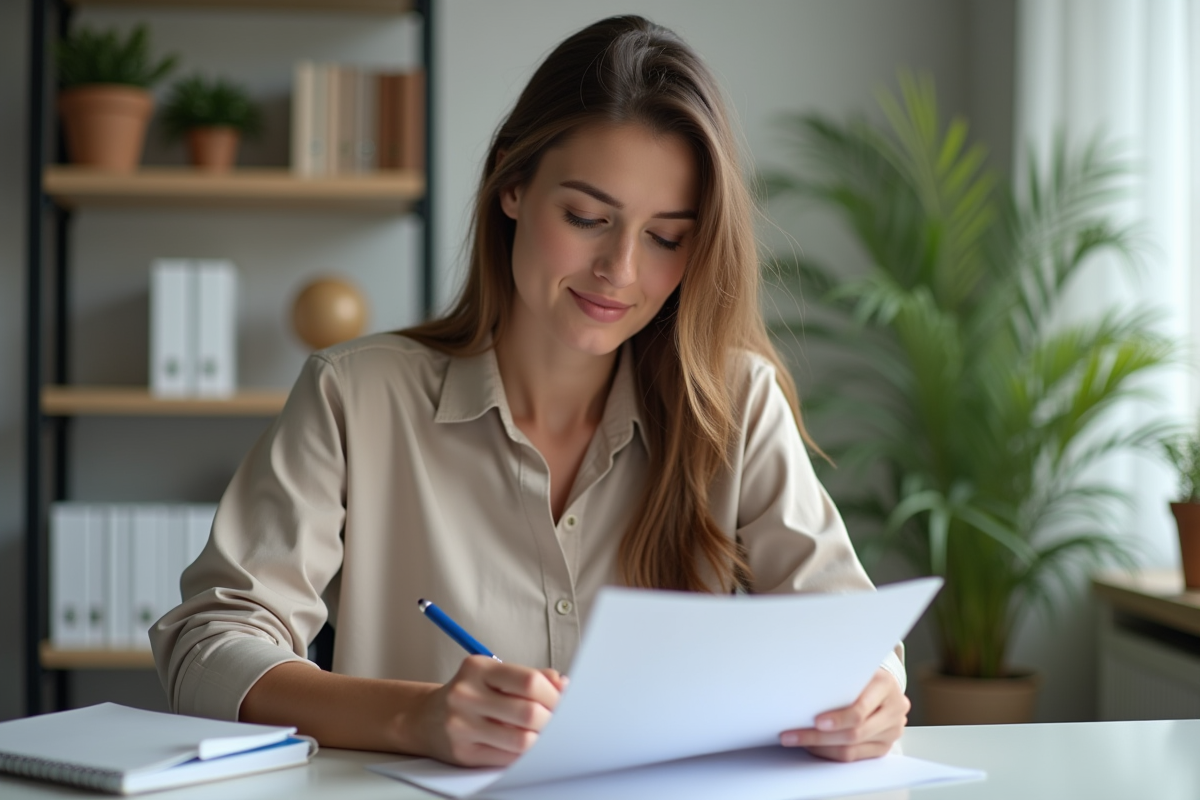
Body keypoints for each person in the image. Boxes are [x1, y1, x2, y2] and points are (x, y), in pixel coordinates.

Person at [150, 14, 909, 767]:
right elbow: (207, 645)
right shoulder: (356, 395)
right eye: (586, 217)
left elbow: (851, 634)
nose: (620, 269)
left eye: (666, 237)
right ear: (512, 183)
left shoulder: (734, 404)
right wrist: (420, 716)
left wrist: (870, 693)